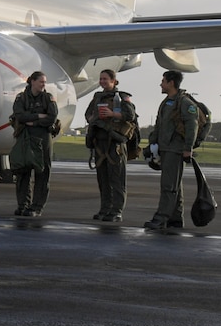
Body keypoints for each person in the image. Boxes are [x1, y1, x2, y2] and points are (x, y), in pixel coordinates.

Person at [142, 70, 201, 232]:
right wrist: (153, 143)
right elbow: (159, 125)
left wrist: (188, 148)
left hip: (176, 150)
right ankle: (175, 218)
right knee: (175, 185)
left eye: (163, 81)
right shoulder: (167, 102)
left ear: (171, 83)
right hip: (166, 148)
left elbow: (192, 126)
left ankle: (161, 218)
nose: (161, 84)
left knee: (169, 185)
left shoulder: (185, 103)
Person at [83, 68, 138, 222]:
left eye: (105, 79)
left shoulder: (122, 97)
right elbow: (87, 114)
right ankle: (105, 208)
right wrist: (94, 118)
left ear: (113, 81)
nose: (102, 82)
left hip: (115, 144)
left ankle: (116, 210)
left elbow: (130, 115)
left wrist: (113, 114)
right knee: (103, 179)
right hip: (99, 143)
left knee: (117, 179)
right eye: (101, 79)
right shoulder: (97, 97)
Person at [8, 71, 61, 218]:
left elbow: (52, 117)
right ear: (32, 81)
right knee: (22, 171)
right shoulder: (21, 98)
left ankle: (36, 206)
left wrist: (34, 121)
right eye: (41, 82)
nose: (44, 84)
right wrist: (38, 115)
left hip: (43, 137)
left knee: (42, 173)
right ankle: (23, 205)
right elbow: (19, 115)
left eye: (44, 82)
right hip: (25, 137)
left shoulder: (48, 98)